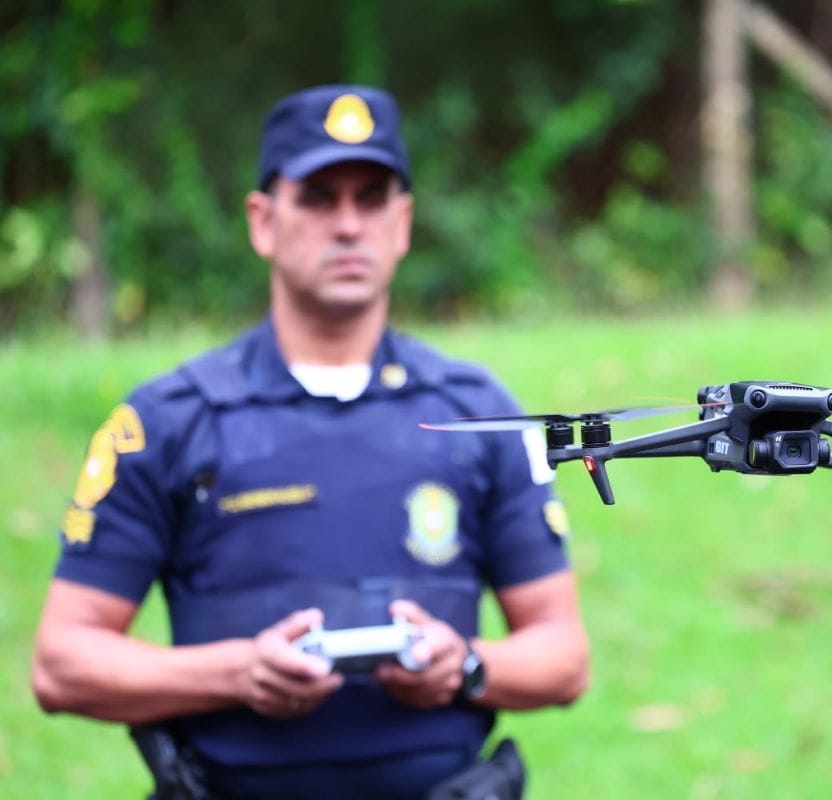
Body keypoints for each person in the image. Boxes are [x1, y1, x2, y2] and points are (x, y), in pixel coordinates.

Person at [31, 84, 590, 800]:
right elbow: (62, 663)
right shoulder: (168, 421)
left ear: (404, 221)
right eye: (319, 197)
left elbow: (563, 654)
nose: (349, 225)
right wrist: (235, 672)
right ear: (263, 222)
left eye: (371, 197)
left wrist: (465, 667)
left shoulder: (477, 417)